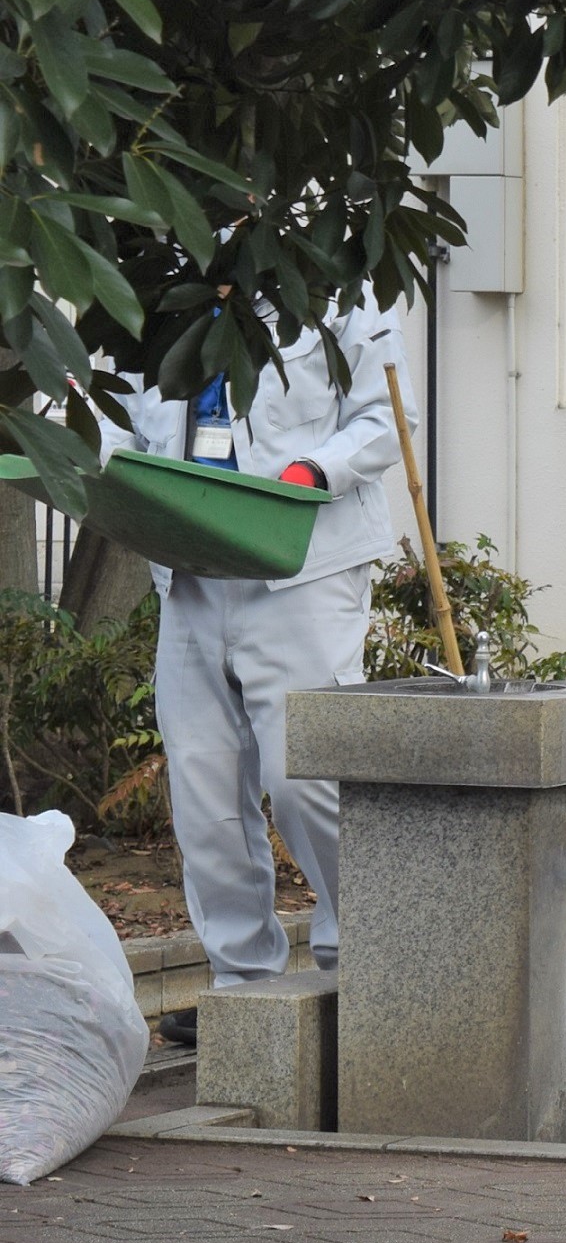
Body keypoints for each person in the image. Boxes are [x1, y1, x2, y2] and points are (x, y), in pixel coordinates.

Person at [118, 298, 411, 1040]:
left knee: (305, 776)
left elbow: (384, 420)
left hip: (301, 561)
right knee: (204, 790)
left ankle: (366, 968)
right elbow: (117, 410)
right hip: (188, 566)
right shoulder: (161, 276)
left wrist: (313, 471)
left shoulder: (337, 278)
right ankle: (240, 985)